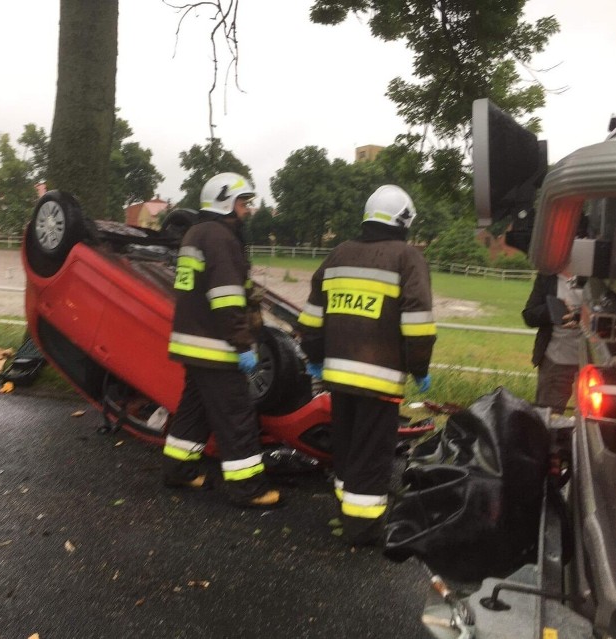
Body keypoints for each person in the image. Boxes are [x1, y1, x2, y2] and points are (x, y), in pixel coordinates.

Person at [296, 185, 437, 546]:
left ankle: (346, 514)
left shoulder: (338, 254)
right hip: (380, 381)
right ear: (404, 220)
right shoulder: (407, 258)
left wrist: (314, 360)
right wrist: (419, 368)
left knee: (346, 447)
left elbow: (311, 319)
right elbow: (418, 324)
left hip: (337, 379)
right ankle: (362, 530)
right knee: (372, 456)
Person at [162, 172, 281, 508]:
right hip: (217, 346)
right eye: (244, 203)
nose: (247, 210)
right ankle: (249, 490)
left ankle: (179, 469)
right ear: (226, 202)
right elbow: (226, 300)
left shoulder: (195, 234)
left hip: (192, 342)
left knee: (193, 412)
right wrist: (243, 345)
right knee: (237, 417)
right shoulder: (220, 238)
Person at [522, 270, 582, 414]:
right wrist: (554, 308)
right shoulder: (547, 276)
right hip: (556, 361)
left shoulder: (600, 274)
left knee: (594, 422)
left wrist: (580, 317)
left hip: (595, 361)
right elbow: (529, 316)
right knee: (548, 416)